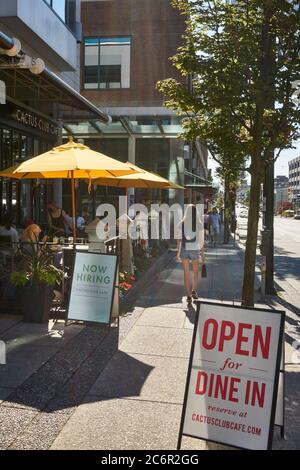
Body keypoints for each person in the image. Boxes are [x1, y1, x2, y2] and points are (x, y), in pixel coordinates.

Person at [177, 204, 205, 305]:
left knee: (186, 273)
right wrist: (202, 254)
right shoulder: (199, 223)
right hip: (194, 249)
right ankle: (194, 290)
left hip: (184, 248)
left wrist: (178, 252)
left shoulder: (181, 223)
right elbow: (201, 241)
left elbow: (179, 239)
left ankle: (188, 295)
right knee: (195, 271)